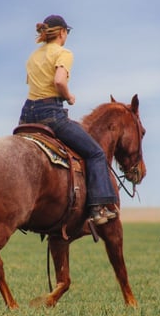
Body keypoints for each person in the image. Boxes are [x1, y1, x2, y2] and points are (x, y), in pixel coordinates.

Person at [18, 15, 118, 225]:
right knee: (96, 153)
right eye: (67, 32)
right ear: (62, 32)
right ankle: (97, 209)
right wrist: (68, 96)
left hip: (26, 116)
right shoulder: (64, 53)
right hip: (51, 114)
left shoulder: (33, 56)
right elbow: (59, 81)